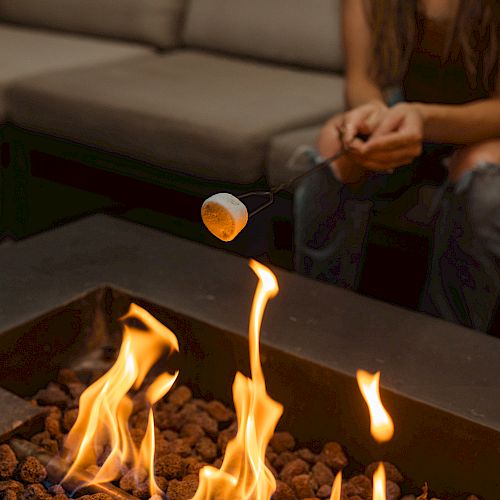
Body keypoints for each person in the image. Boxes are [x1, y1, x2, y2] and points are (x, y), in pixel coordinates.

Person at [294, 0, 500, 333]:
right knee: (336, 141)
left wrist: (423, 119)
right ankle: (313, 329)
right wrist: (374, 117)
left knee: (483, 177)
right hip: (407, 109)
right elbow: (362, 81)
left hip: (485, 124)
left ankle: (445, 345)